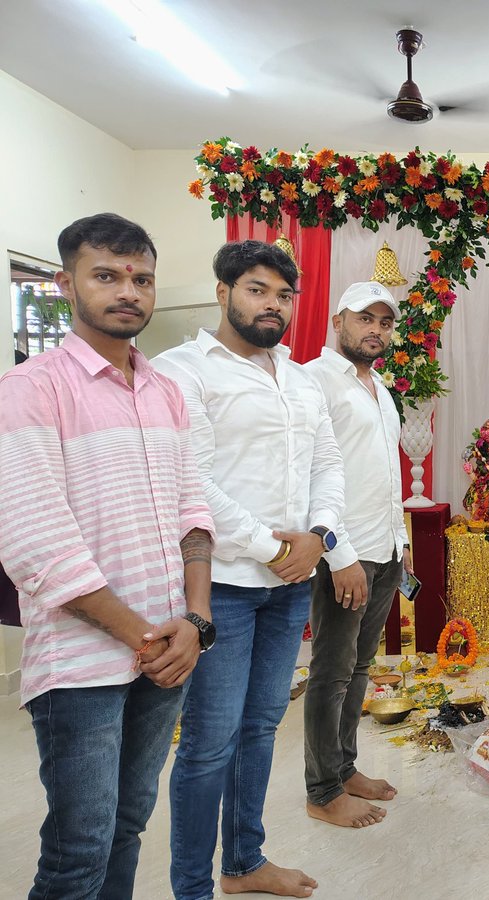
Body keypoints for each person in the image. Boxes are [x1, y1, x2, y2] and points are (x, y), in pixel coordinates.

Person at [0, 213, 215, 899]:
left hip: (168, 652)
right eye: (106, 276)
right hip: (82, 663)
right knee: (79, 850)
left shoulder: (165, 391)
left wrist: (196, 621)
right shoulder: (31, 388)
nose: (128, 291)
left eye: (141, 279)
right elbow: (36, 543)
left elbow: (193, 510)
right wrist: (148, 639)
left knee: (127, 825)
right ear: (65, 284)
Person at [154, 241, 344, 900]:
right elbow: (192, 480)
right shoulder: (183, 372)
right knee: (209, 743)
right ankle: (191, 889)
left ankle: (243, 863)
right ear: (223, 292)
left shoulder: (300, 378)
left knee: (261, 726)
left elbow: (328, 464)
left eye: (284, 295)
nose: (273, 305)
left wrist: (319, 537)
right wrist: (273, 549)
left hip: (288, 587)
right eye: (257, 290)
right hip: (223, 585)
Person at [302, 282, 414, 828]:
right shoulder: (314, 380)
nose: (375, 330)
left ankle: (344, 769)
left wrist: (401, 542)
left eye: (384, 322)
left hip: (383, 547)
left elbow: (385, 473)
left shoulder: (379, 387)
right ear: (337, 321)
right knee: (331, 671)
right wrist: (338, 553)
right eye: (364, 318)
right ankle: (322, 790)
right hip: (344, 553)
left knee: (360, 666)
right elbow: (310, 474)